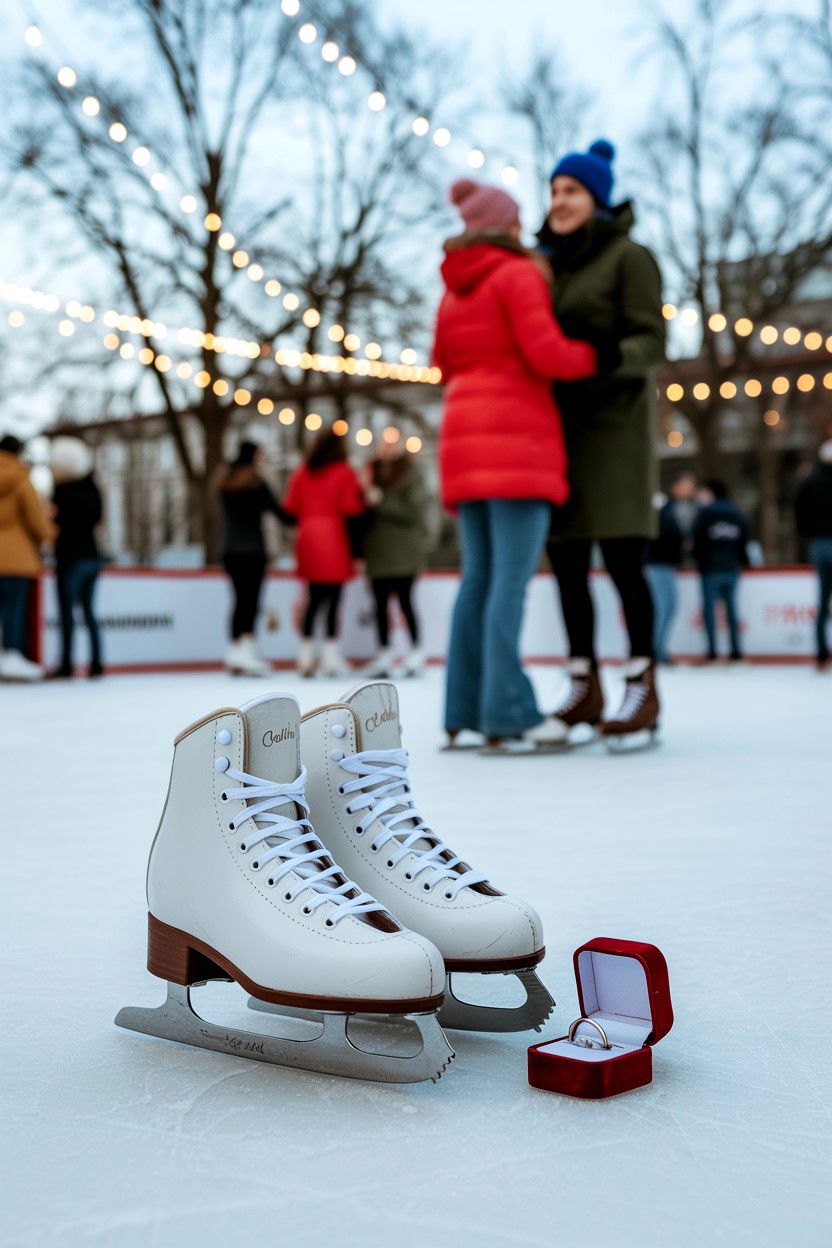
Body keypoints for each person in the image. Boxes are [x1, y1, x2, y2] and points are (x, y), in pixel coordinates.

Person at [433, 178, 598, 752]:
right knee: (509, 583)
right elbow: (546, 351)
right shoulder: (518, 273)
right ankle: (507, 711)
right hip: (517, 444)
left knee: (476, 580)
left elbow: (441, 362)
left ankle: (462, 710)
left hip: (462, 441)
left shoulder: (453, 289)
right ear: (504, 223)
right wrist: (595, 355)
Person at [532, 140, 665, 747]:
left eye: (573, 191)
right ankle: (583, 685)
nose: (559, 201)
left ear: (598, 200)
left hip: (612, 432)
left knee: (622, 563)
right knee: (567, 564)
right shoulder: (544, 264)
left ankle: (642, 682)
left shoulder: (628, 257)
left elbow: (649, 340)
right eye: (555, 190)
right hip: (555, 431)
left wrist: (602, 358)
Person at [283, 425, 368, 677]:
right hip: (334, 538)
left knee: (313, 599)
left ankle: (305, 655)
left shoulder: (302, 472)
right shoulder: (344, 473)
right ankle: (331, 656)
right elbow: (351, 509)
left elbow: (290, 507)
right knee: (333, 599)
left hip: (308, 538)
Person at [215, 438, 293, 677]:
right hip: (251, 551)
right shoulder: (256, 484)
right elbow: (282, 515)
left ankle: (236, 649)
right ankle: (245, 650)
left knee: (239, 600)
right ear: (253, 457)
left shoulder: (224, 484)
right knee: (250, 600)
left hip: (230, 550)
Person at [363, 440, 429, 678]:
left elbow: (412, 511)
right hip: (377, 551)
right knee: (379, 605)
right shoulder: (370, 474)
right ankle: (385, 652)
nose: (387, 448)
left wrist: (381, 501)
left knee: (405, 602)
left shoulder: (412, 475)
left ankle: (415, 651)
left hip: (404, 552)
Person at [50, 437, 105, 678]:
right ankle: (96, 663)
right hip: (92, 556)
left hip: (70, 558)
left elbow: (55, 524)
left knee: (67, 613)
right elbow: (97, 518)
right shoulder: (93, 489)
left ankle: (66, 664)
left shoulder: (62, 492)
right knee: (89, 612)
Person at [0, 434, 55, 681]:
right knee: (13, 610)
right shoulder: (21, 478)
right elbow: (35, 519)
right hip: (15, 558)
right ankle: (11, 659)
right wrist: (50, 533)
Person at [693, 479, 750, 661]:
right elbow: (744, 539)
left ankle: (712, 651)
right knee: (732, 608)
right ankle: (736, 650)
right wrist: (744, 561)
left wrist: (698, 559)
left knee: (710, 610)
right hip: (732, 566)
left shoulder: (705, 513)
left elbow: (697, 538)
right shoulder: (737, 512)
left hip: (710, 568)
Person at [646, 471, 698, 664]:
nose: (690, 488)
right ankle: (655, 650)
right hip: (659, 563)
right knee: (663, 607)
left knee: (668, 607)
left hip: (665, 563)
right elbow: (667, 534)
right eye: (687, 484)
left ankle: (658, 649)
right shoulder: (667, 508)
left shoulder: (677, 508)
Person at [794, 439, 832, 670]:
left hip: (818, 543)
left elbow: (799, 511)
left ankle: (821, 654)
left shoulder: (810, 480)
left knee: (822, 599)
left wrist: (808, 532)